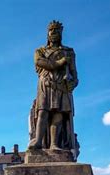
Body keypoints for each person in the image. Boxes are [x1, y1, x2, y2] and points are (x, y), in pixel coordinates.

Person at [28, 20, 79, 155]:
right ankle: (38, 141)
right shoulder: (40, 51)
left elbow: (75, 74)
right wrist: (61, 62)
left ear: (61, 34)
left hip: (61, 86)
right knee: (42, 112)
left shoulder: (69, 52)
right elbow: (41, 62)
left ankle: (54, 144)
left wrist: (72, 84)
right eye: (52, 31)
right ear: (48, 34)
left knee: (58, 114)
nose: (54, 33)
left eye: (57, 31)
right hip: (45, 84)